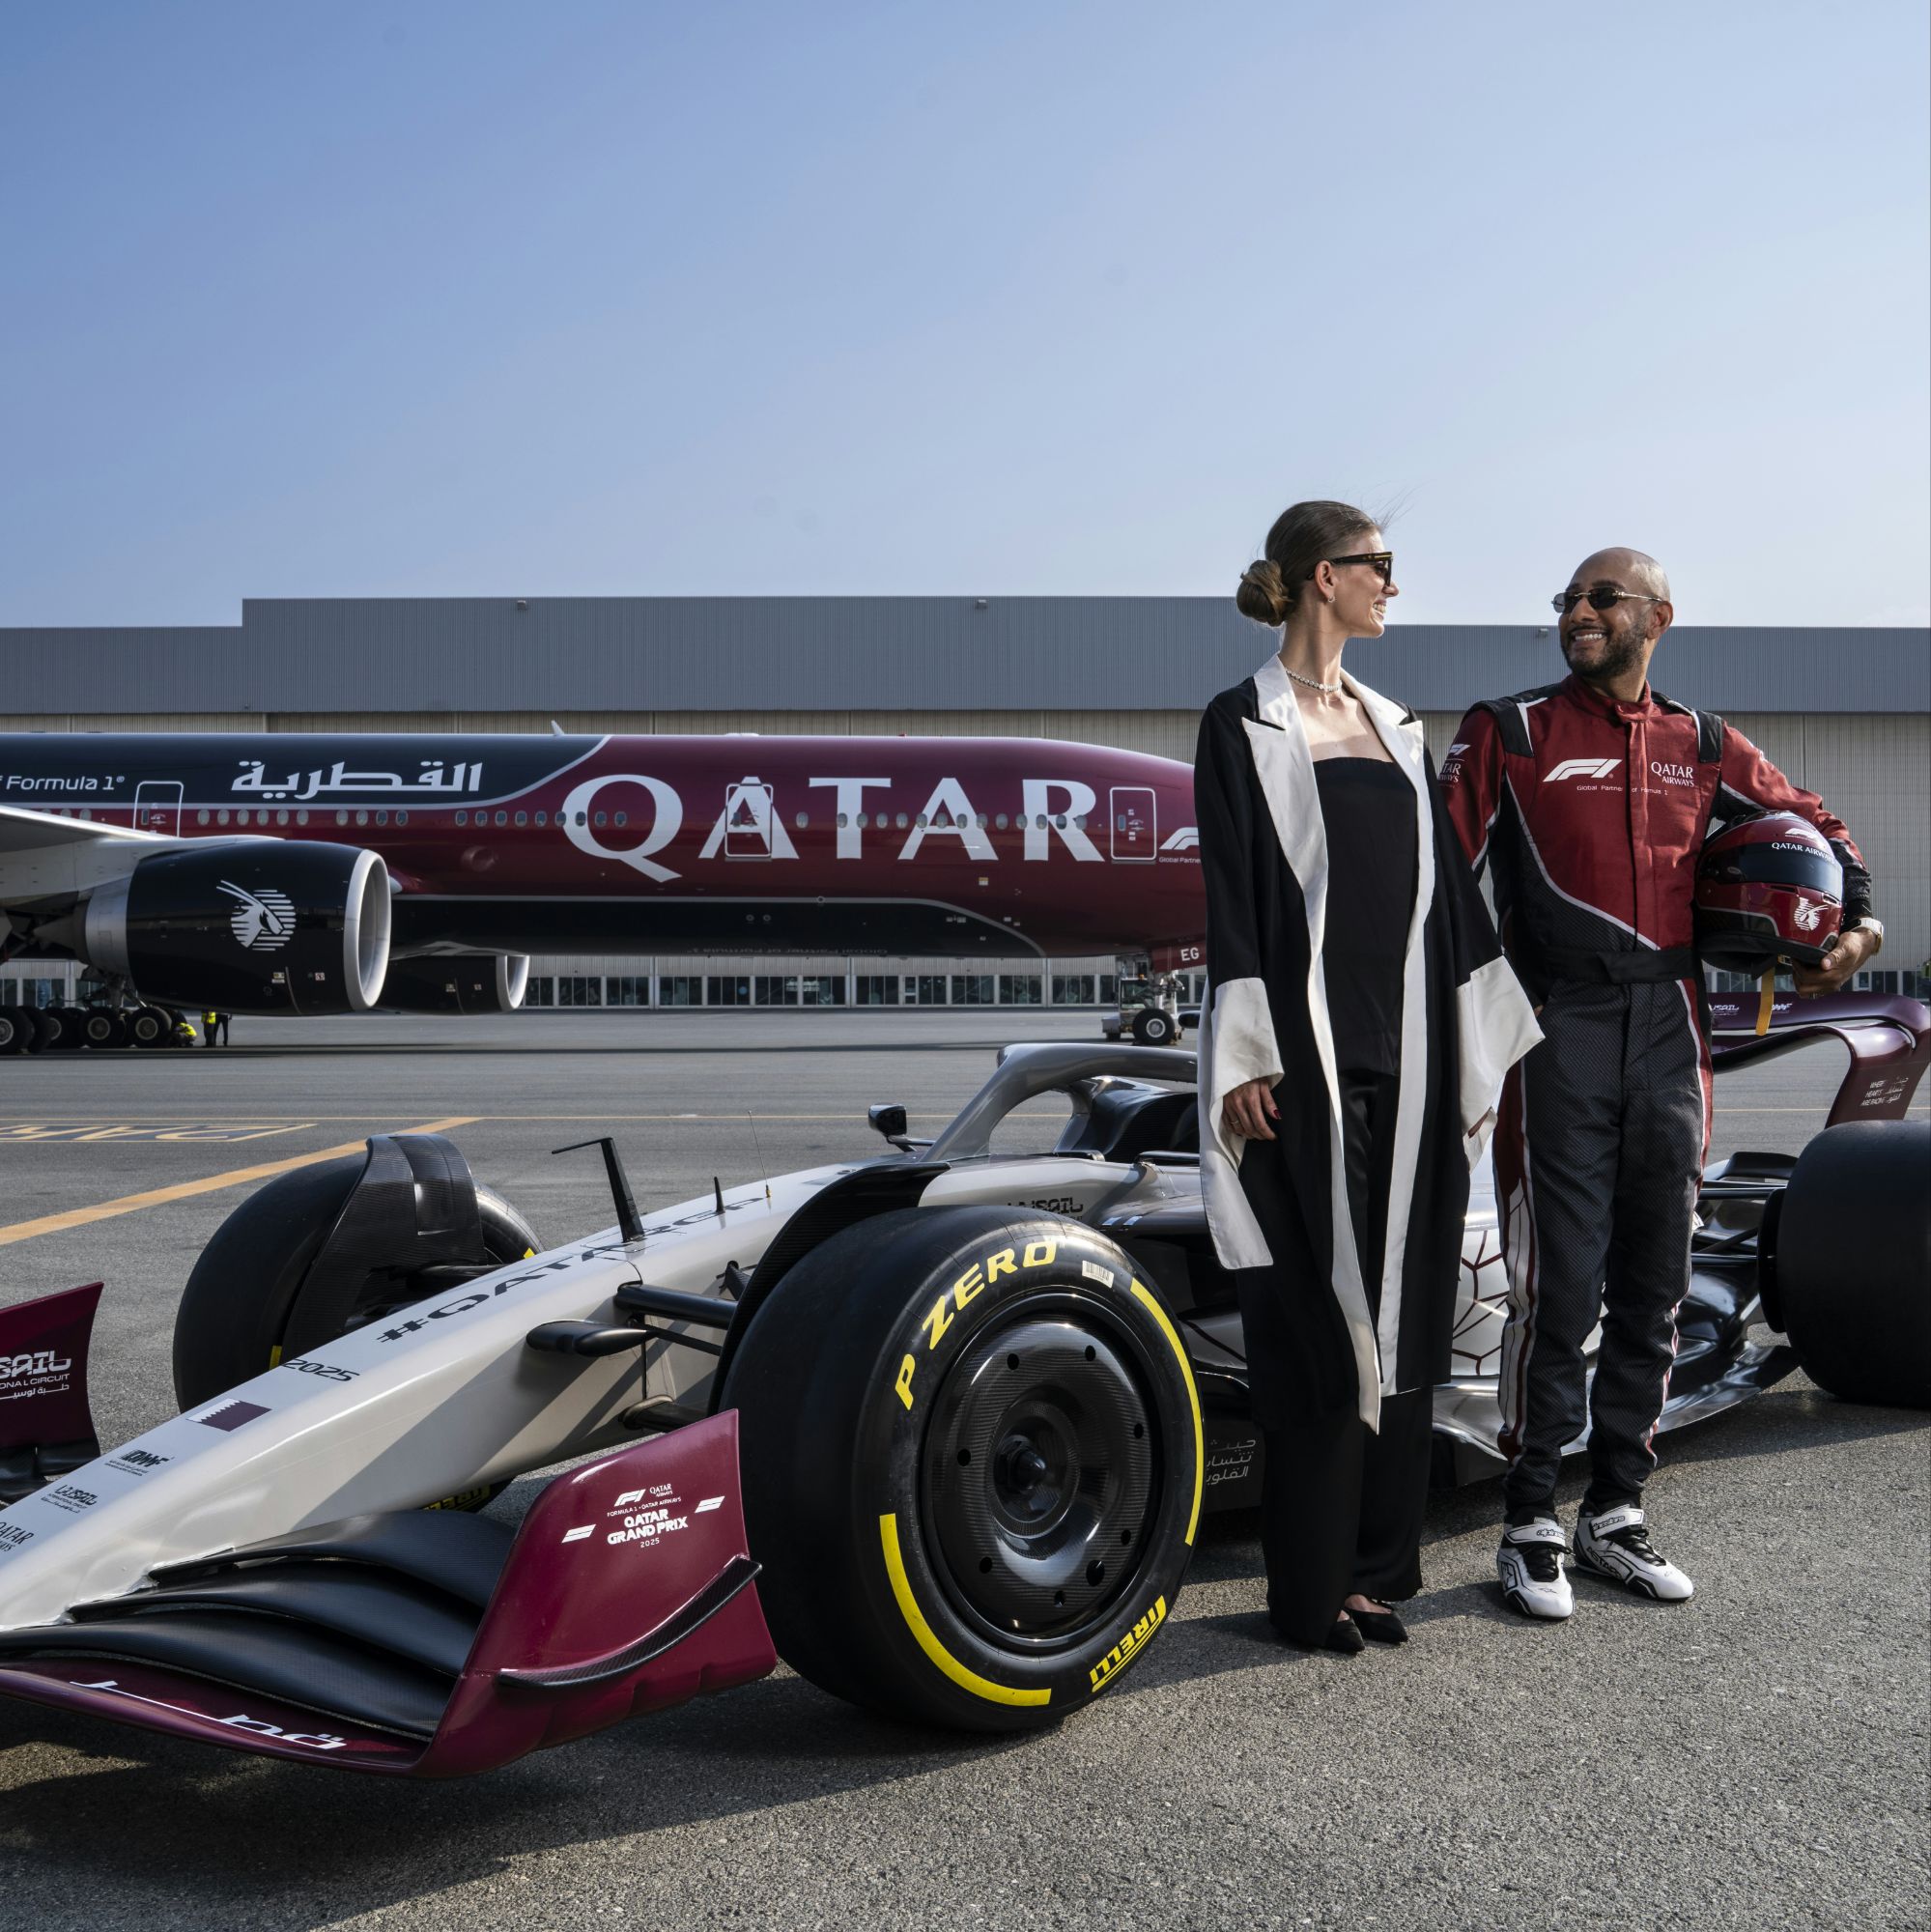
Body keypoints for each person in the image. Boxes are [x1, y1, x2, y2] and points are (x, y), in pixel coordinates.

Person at [1439, 547, 1882, 1619]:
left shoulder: (1703, 739)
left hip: (1673, 1029)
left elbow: (1820, 827)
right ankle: (1532, 1516)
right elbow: (1433, 873)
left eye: (1601, 599)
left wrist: (1854, 925)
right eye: (1567, 601)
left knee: (1655, 1282)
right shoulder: (1510, 728)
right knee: (1562, 1286)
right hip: (1557, 1026)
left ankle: (1617, 1513)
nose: (1577, 613)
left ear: (1657, 617)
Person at [1195, 500, 1540, 1653]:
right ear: (1314, 577)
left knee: (1405, 1315)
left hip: (1412, 1059)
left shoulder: (1397, 724)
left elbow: (1449, 900)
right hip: (1303, 1063)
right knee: (1314, 1319)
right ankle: (1306, 1588)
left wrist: (1479, 1043)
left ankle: (1374, 1570)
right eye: (1377, 566)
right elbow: (1236, 894)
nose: (1392, 583)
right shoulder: (1241, 721)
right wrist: (1246, 1051)